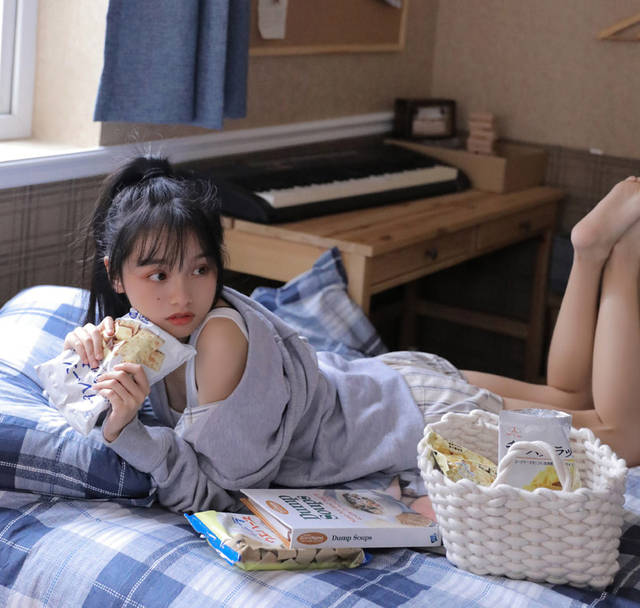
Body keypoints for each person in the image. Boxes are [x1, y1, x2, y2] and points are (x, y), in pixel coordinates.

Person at [64, 158, 640, 513]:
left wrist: (124, 431)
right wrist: (86, 352)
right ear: (116, 275)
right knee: (569, 398)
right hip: (390, 384)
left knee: (625, 435)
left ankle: (627, 259)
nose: (182, 296)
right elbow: (76, 382)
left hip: (424, 421)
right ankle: (589, 254)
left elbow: (215, 493)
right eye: (158, 276)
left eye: (200, 269)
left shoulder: (220, 340)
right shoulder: (147, 329)